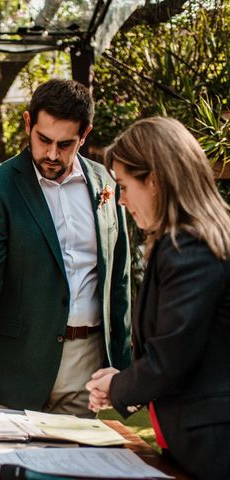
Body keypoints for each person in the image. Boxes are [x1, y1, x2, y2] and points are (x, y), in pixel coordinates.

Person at [0, 79, 131, 418]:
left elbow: (119, 279)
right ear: (28, 124)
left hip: (87, 365)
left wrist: (124, 368)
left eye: (65, 144)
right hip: (18, 367)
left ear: (85, 134)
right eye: (43, 139)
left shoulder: (107, 185)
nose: (52, 154)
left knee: (75, 468)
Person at [86, 117, 230, 479]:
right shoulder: (187, 241)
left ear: (154, 180)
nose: (120, 200)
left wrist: (118, 387)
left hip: (212, 443)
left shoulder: (190, 247)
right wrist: (125, 381)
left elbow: (171, 357)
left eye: (123, 186)